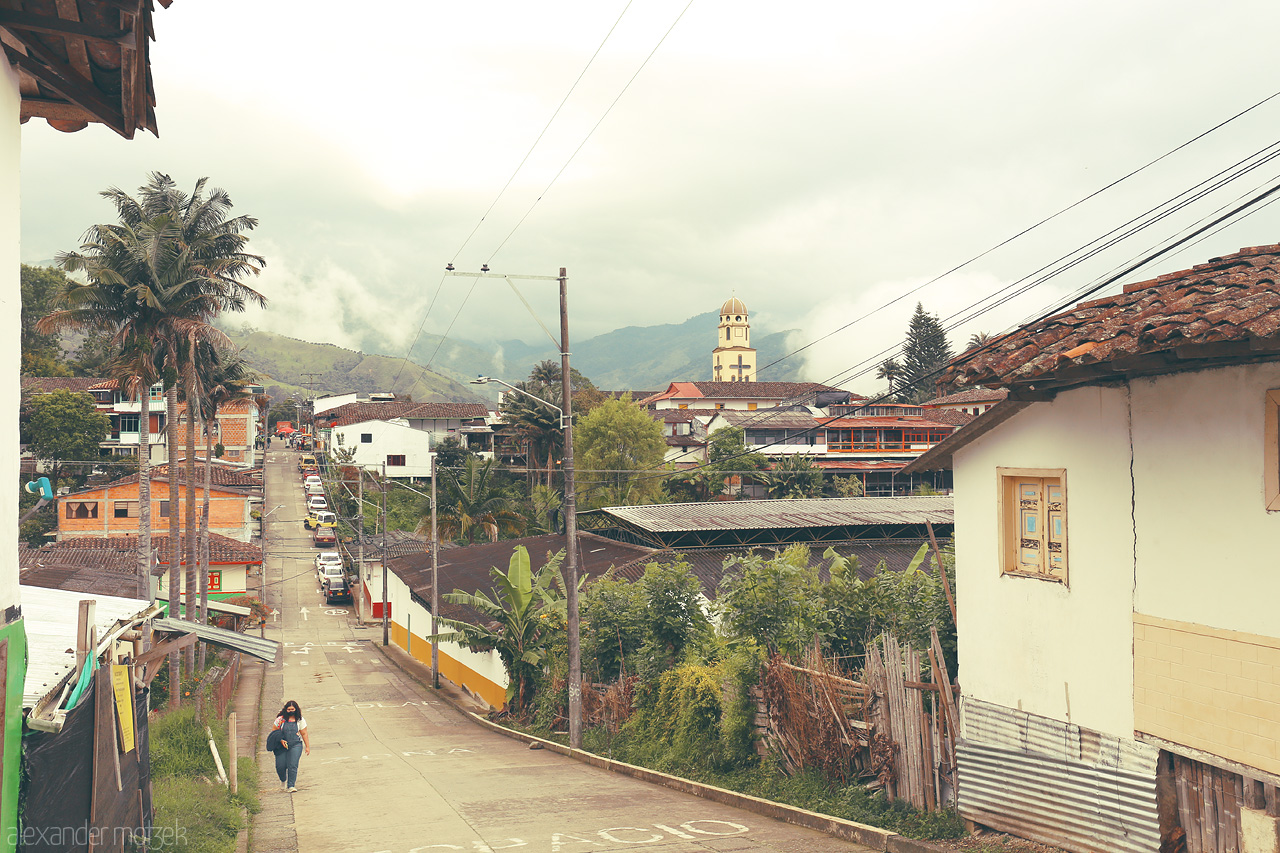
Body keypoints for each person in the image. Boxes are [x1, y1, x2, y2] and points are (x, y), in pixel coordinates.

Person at [272, 700, 310, 792]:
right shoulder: (280, 720)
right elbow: (274, 732)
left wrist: (307, 746)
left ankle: (291, 785)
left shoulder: (300, 720)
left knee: (293, 765)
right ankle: (283, 780)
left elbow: (304, 733)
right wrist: (280, 740)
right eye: (289, 709)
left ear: (296, 709)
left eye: (292, 709)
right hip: (281, 746)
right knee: (280, 766)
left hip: (295, 745)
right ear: (286, 710)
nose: (291, 711)